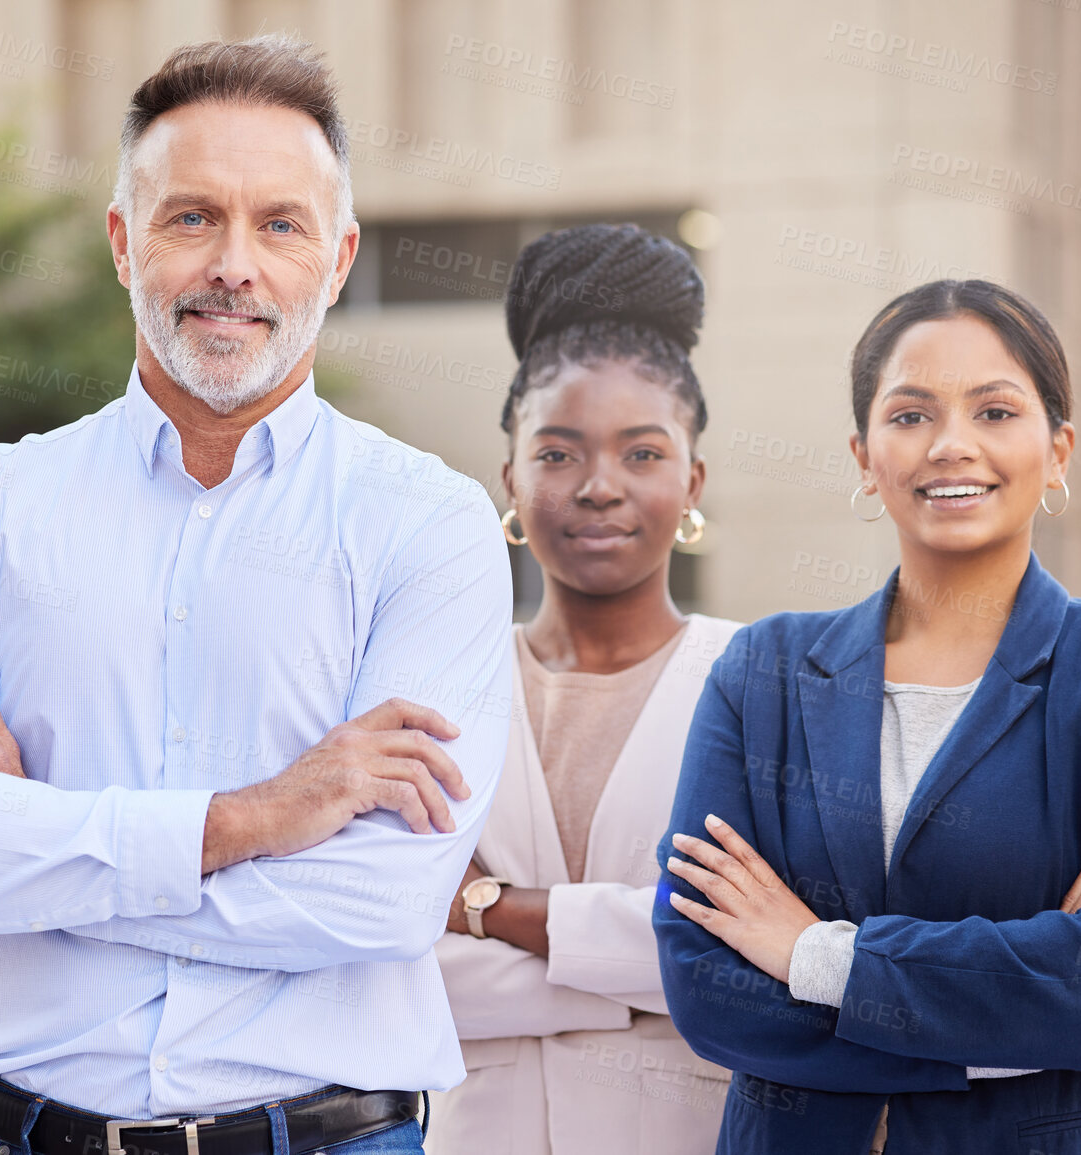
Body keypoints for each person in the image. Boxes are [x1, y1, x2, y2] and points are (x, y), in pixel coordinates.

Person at [0, 36, 513, 1155]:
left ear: (336, 261)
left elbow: (381, 901)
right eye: (191, 217)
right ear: (121, 241)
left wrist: (32, 836)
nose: (234, 264)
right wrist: (254, 820)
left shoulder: (428, 528)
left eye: (278, 225)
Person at [654, 279, 1081, 1152]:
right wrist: (1018, 1024)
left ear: (1057, 449)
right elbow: (704, 983)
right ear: (862, 455)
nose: (951, 445)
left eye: (994, 411)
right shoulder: (761, 671)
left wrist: (812, 955)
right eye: (910, 415)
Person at [424, 223, 738, 1154]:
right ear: (510, 479)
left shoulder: (762, 685)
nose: (598, 486)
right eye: (557, 454)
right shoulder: (437, 693)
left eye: (641, 454)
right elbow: (392, 967)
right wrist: (649, 975)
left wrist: (488, 911)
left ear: (692, 481)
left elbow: (751, 964)